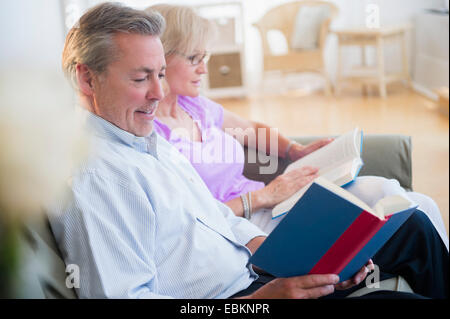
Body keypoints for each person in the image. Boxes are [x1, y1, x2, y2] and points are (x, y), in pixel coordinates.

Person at [49, 2, 448, 299]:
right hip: (240, 299)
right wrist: (260, 301)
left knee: (412, 225)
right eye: (140, 78)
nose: (158, 92)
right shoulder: (96, 178)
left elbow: (211, 217)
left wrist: (293, 260)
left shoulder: (143, 137)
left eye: (159, 74)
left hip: (257, 270)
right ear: (87, 78)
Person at [148, 4, 449, 248]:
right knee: (404, 212)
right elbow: (190, 219)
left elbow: (251, 129)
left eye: (205, 56)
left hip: (272, 204)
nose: (204, 68)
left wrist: (295, 150)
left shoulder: (195, 106)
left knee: (412, 199)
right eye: (193, 58)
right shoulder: (153, 137)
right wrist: (265, 196)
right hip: (244, 225)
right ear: (160, 57)